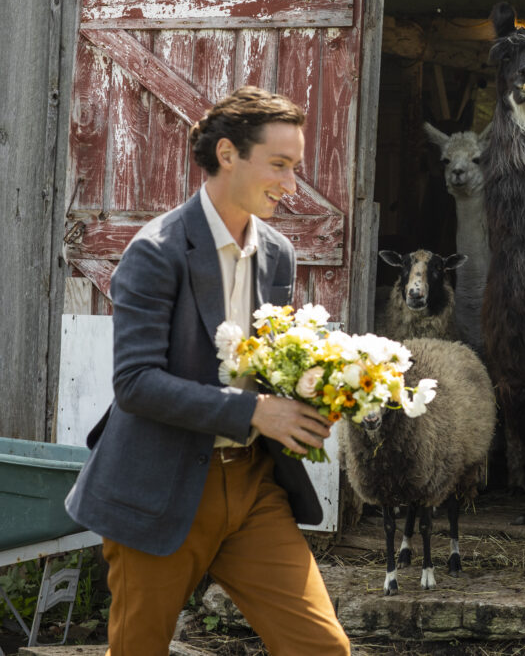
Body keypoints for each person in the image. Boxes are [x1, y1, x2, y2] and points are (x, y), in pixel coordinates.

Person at [65, 86, 352, 656]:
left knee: (321, 648)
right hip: (160, 485)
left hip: (252, 486)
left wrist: (324, 384)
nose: (292, 186)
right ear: (227, 154)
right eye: (279, 165)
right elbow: (135, 383)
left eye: (294, 168)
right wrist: (256, 411)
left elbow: (270, 360)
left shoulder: (278, 254)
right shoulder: (157, 250)